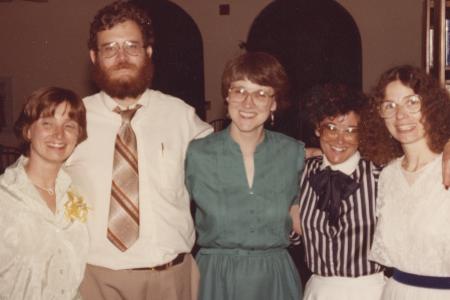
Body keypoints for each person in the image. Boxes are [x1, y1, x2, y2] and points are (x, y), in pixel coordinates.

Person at [64, 1, 212, 299]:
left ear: (148, 52)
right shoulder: (70, 118)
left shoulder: (181, 116)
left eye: (132, 46)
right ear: (94, 57)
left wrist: (298, 154)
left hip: (170, 279)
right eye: (110, 48)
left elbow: (229, 161)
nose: (121, 57)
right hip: (94, 280)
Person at [185, 51, 304, 300]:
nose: (248, 103)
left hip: (275, 279)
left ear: (274, 103)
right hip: (215, 278)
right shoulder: (197, 153)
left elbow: (305, 220)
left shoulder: (294, 152)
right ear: (227, 96)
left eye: (261, 93)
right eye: (239, 90)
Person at [360, 65, 450, 299]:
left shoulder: (447, 166)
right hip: (395, 292)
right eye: (390, 106)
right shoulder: (388, 175)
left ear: (431, 106)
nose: (400, 115)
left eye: (412, 102)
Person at [289, 83, 385, 299]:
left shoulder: (381, 176)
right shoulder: (300, 175)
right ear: (317, 128)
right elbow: (291, 236)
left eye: (351, 131)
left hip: (369, 291)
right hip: (318, 290)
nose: (340, 139)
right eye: (331, 128)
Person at [0, 86, 88, 300]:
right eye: (47, 123)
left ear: (78, 135)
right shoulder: (5, 196)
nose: (59, 134)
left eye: (69, 125)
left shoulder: (76, 194)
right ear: (28, 131)